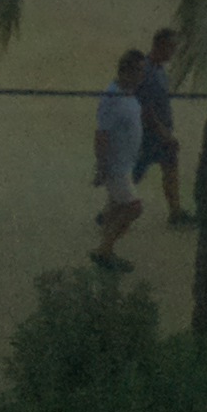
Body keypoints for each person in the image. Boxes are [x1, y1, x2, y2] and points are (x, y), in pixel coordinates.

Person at [92, 49, 149, 271]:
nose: (142, 75)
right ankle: (104, 250)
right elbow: (101, 134)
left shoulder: (127, 94)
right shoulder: (113, 98)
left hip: (125, 163)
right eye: (139, 71)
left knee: (116, 207)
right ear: (126, 72)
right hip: (116, 168)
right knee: (134, 208)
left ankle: (105, 247)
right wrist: (102, 167)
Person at [139, 26, 192, 231]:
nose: (174, 52)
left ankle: (175, 211)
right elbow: (146, 108)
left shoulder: (158, 70)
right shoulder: (147, 72)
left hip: (158, 131)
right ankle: (111, 210)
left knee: (169, 167)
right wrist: (164, 133)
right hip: (151, 133)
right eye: (172, 47)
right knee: (137, 171)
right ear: (161, 46)